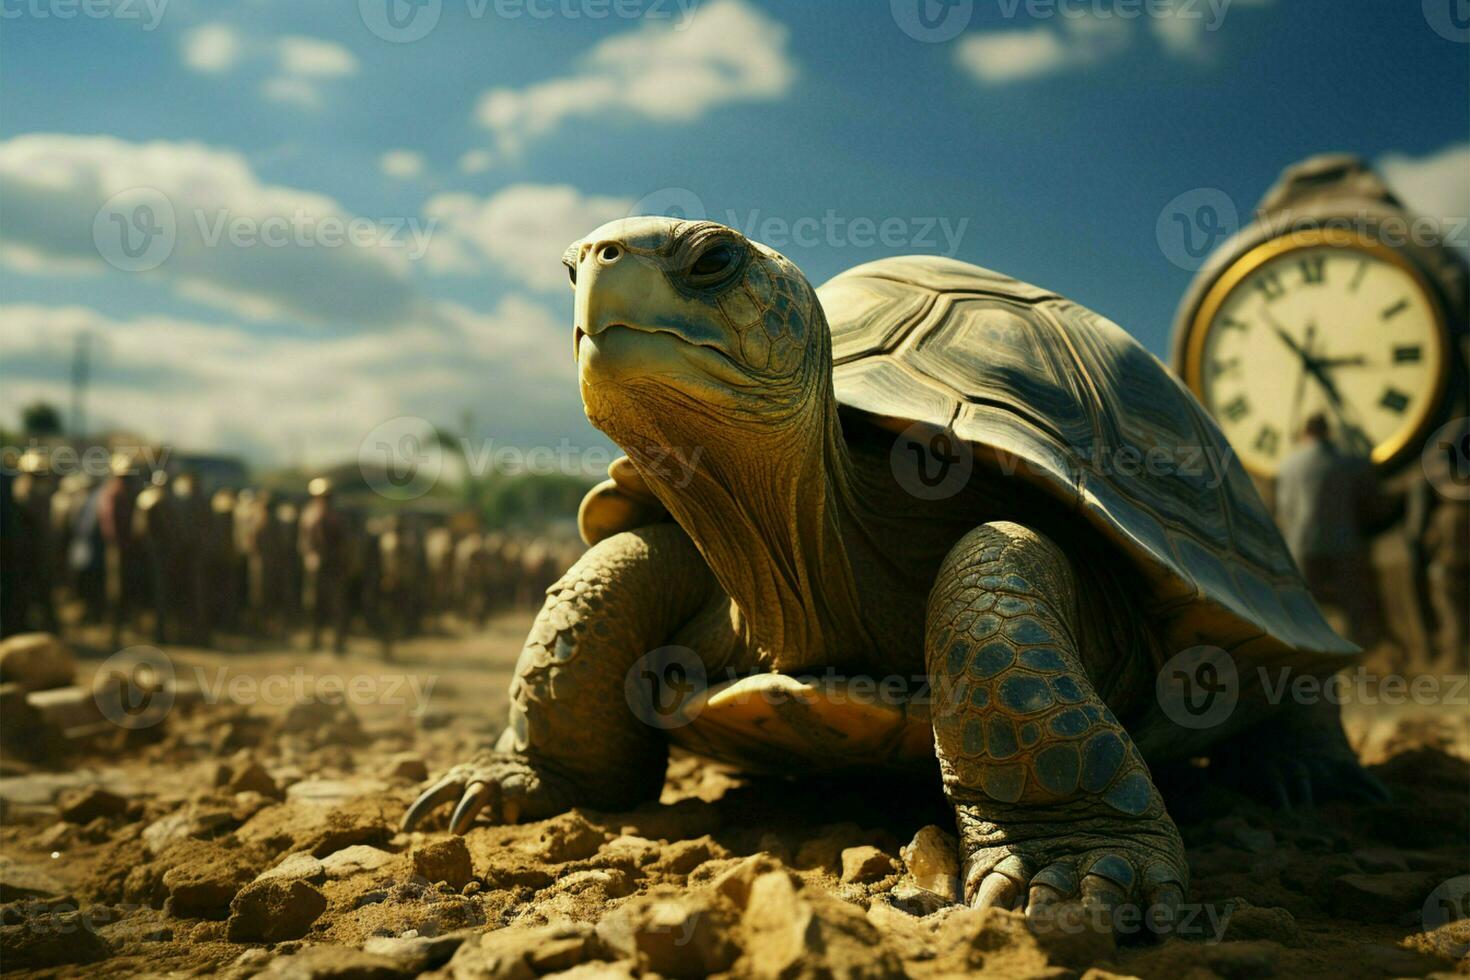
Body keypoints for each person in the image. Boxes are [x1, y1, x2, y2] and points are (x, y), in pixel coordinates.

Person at [1275, 414, 1392, 649]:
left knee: (1306, 608)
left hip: (1302, 544)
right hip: (1343, 544)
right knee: (1353, 606)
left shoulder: (1288, 465)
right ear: (1328, 432)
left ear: (1304, 433)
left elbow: (1285, 509)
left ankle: (1312, 654)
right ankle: (1358, 654)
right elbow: (1370, 496)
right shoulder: (1347, 462)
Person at [299, 477, 349, 653]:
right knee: (313, 604)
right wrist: (310, 557)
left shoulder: (336, 517)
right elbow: (304, 542)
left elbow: (343, 543)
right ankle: (314, 639)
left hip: (333, 566)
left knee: (337, 605)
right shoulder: (308, 515)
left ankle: (338, 643)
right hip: (315, 567)